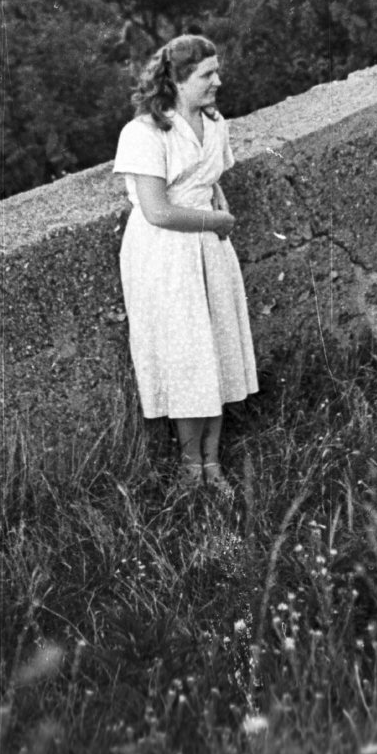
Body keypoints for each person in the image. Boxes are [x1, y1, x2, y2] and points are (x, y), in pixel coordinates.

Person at [113, 34, 258, 494]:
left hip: (209, 246)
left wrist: (220, 217)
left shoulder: (215, 124)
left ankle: (212, 464)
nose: (218, 81)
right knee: (185, 355)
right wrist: (217, 220)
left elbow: (211, 182)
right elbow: (156, 210)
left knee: (213, 348)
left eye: (217, 71)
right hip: (164, 254)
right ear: (176, 80)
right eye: (206, 75)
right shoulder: (144, 133)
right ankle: (189, 466)